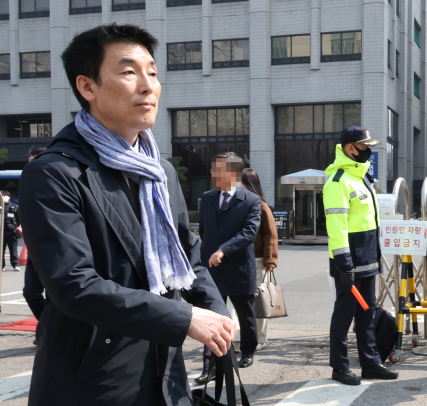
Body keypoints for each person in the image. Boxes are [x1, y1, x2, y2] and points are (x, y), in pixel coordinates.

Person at [19, 24, 236, 405]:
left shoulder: (159, 171)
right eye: (128, 71)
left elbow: (189, 254)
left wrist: (215, 313)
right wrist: (183, 319)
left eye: (152, 72)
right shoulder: (55, 172)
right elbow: (74, 285)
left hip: (166, 375)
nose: (148, 84)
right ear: (88, 87)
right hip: (92, 379)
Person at [324, 126, 399, 386]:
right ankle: (340, 367)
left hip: (368, 257)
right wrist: (344, 264)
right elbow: (337, 226)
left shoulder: (362, 177)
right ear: (349, 148)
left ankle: (371, 363)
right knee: (344, 316)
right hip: (349, 262)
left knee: (367, 313)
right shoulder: (338, 180)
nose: (368, 151)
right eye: (364, 146)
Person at [196, 152, 262, 384]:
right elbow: (204, 231)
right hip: (212, 268)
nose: (213, 173)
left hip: (238, 267)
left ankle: (247, 350)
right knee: (211, 316)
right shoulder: (208, 197)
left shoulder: (252, 201)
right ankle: (209, 365)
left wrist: (223, 250)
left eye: (218, 169)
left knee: (245, 315)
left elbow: (248, 233)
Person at [238, 167, 278, 351]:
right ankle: (241, 337)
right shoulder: (239, 204)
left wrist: (270, 260)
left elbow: (271, 234)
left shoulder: (262, 207)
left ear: (249, 184)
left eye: (241, 183)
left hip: (259, 260)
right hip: (241, 259)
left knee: (259, 301)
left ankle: (260, 339)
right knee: (241, 301)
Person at [23, 149, 48, 320]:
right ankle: (46, 326)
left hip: (53, 248)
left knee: (58, 297)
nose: (31, 165)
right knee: (30, 292)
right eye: (29, 161)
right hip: (34, 250)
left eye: (35, 160)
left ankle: (52, 333)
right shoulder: (27, 184)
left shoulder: (54, 181)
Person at [1, 190, 20, 272]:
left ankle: (15, 265)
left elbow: (19, 219)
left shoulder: (14, 207)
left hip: (11, 232)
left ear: (9, 197)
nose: (4, 197)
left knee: (13, 250)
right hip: (1, 233)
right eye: (2, 196)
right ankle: (1, 266)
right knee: (1, 251)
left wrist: (15, 227)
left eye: (5, 196)